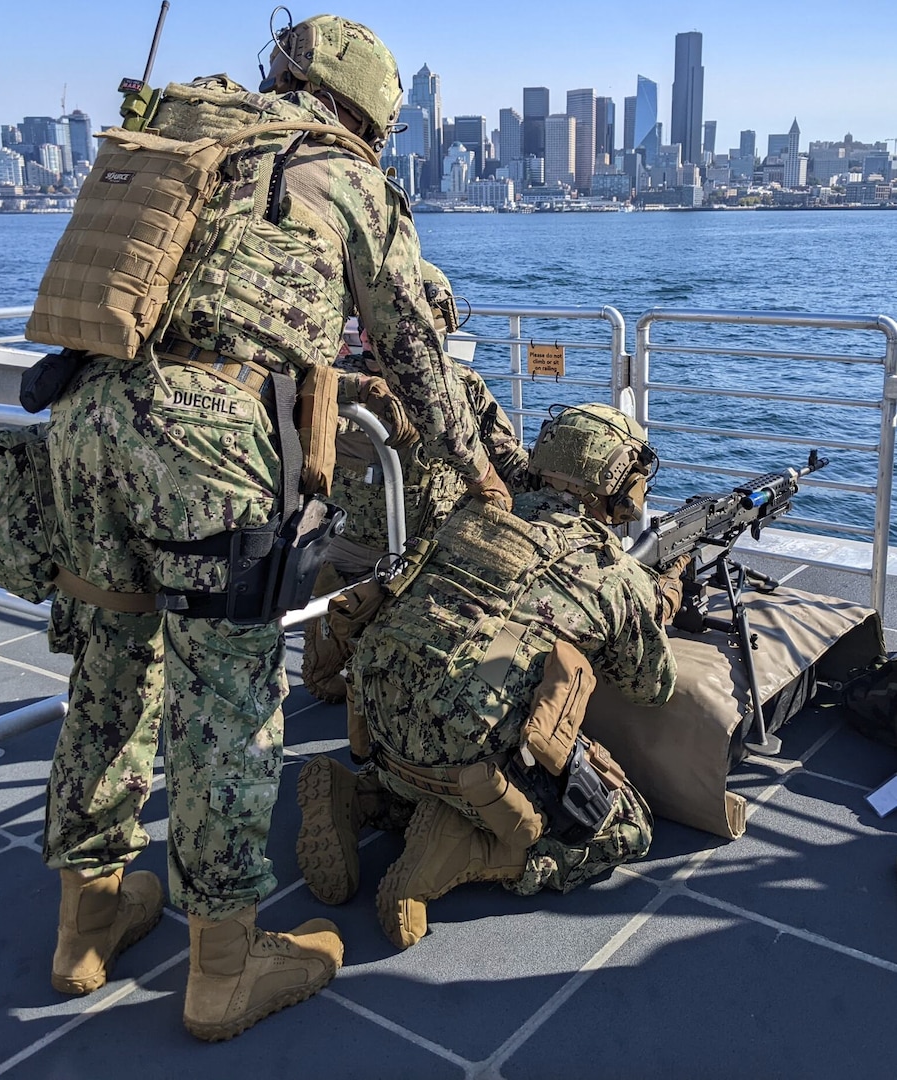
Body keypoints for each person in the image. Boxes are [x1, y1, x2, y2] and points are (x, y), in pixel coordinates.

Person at [41, 12, 510, 1042]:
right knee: (223, 698)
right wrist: (477, 470)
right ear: (370, 111)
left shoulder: (189, 136)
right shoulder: (336, 172)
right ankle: (222, 967)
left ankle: (87, 924)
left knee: (111, 672)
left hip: (80, 417)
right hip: (201, 435)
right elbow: (412, 345)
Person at [296, 403, 683, 948]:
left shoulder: (470, 513)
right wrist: (660, 598)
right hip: (467, 763)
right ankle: (462, 852)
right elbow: (651, 687)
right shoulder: (613, 573)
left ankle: (359, 797)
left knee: (441, 727)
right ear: (616, 478)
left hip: (382, 727)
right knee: (626, 829)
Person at [302, 260, 531, 706]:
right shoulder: (340, 389)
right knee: (345, 687)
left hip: (398, 564)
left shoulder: (327, 384)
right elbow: (511, 469)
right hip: (382, 570)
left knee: (378, 690)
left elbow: (512, 465)